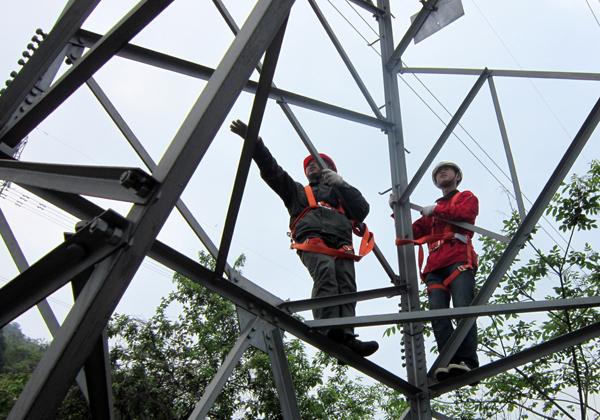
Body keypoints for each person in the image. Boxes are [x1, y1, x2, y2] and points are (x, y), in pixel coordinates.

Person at [230, 120, 378, 357]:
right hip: (313, 240)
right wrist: (256, 144)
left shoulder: (341, 197)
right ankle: (328, 328)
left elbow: (361, 210)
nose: (312, 168)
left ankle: (346, 335)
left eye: (319, 165)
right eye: (309, 166)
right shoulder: (299, 192)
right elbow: (272, 172)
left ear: (331, 170)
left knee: (347, 285)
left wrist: (342, 185)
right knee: (326, 274)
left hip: (341, 244)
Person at [394, 161, 479, 381]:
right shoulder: (431, 213)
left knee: (463, 310)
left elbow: (464, 213)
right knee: (438, 316)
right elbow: (410, 231)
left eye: (447, 170)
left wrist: (438, 210)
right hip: (435, 267)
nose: (442, 172)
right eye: (438, 172)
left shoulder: (465, 197)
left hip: (458, 260)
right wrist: (397, 210)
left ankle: (468, 362)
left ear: (457, 176)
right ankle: (449, 361)